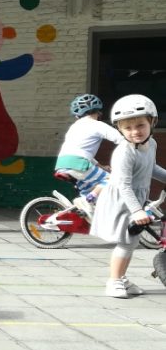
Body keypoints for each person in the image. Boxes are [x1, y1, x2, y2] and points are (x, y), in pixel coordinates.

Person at [90, 94, 166, 298]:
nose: (135, 132)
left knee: (131, 242)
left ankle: (121, 278)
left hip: (135, 199)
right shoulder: (125, 152)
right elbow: (123, 185)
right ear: (120, 130)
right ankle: (113, 281)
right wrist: (137, 210)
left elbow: (152, 168)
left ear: (152, 122)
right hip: (121, 200)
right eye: (128, 128)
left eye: (140, 125)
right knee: (126, 241)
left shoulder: (151, 145)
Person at [54, 94, 121, 216]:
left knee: (89, 190)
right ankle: (87, 200)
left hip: (63, 163)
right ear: (99, 112)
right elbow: (121, 139)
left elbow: (81, 150)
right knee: (114, 179)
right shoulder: (98, 125)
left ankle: (86, 215)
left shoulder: (74, 127)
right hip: (78, 164)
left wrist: (100, 166)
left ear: (77, 116)